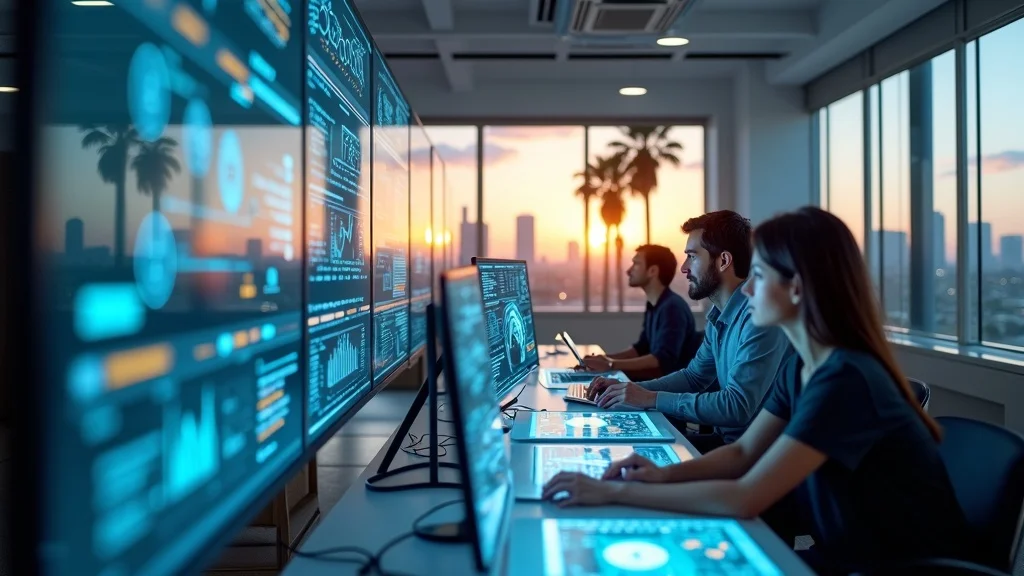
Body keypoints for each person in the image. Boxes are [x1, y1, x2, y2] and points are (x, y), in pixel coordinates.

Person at [543, 207, 971, 575]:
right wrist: (660, 474)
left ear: (798, 288)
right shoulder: (804, 367)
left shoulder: (845, 379)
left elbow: (746, 495)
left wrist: (616, 491)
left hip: (890, 567)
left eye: (760, 275)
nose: (747, 289)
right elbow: (744, 453)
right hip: (846, 549)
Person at [586, 210, 792, 453]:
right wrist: (631, 390)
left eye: (692, 256)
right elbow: (694, 377)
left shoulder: (758, 317)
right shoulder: (719, 316)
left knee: (631, 454)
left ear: (723, 261)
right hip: (727, 445)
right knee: (621, 443)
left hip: (752, 456)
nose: (683, 268)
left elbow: (737, 407)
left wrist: (650, 398)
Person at [581, 244, 701, 380]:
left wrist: (611, 364)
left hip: (666, 389)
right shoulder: (654, 304)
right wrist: (605, 358)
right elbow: (641, 348)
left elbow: (661, 360)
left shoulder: (672, 308)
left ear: (652, 271)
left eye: (636, 264)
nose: (629, 271)